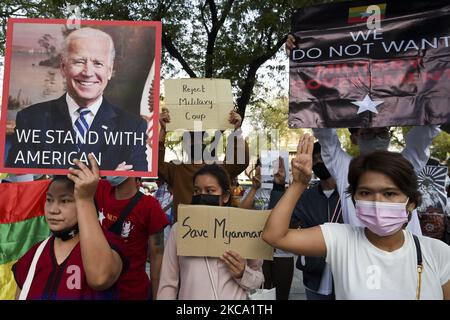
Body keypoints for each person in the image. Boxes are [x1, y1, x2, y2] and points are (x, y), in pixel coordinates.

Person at [263, 133, 450, 300]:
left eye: (390, 193)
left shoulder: (438, 253)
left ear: (411, 202)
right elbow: (274, 236)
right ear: (354, 199)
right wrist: (298, 184)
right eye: (366, 193)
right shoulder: (341, 240)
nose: (378, 202)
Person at [286, 35, 440, 234]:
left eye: (382, 130)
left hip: (407, 261)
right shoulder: (344, 168)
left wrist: (438, 73)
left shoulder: (407, 164)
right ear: (354, 137)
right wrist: (303, 60)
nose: (377, 135)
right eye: (365, 192)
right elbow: (324, 132)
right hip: (358, 258)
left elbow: (428, 127)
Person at [6, 27, 148, 171]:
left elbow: (134, 185)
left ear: (109, 71)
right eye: (79, 62)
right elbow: (19, 183)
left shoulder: (133, 127)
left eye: (98, 63)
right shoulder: (31, 119)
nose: (88, 72)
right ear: (63, 67)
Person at [12, 154, 127, 299]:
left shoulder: (110, 245)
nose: (53, 209)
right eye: (49, 199)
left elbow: (100, 278)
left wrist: (85, 198)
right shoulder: (33, 255)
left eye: (65, 201)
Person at [157, 164, 264, 299]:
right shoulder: (180, 230)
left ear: (225, 196)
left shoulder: (243, 229)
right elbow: (168, 284)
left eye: (210, 191)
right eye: (197, 191)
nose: (202, 196)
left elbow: (258, 281)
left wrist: (243, 273)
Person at [270, 143, 343, 300]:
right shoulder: (307, 196)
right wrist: (278, 186)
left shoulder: (351, 195)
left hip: (345, 279)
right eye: (314, 159)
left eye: (322, 158)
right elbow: (277, 225)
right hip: (313, 280)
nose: (318, 163)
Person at [158, 108, 249, 222]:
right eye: (190, 139)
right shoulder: (176, 170)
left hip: (215, 229)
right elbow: (157, 165)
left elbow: (241, 161)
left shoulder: (219, 169)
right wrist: (163, 130)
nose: (196, 143)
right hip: (185, 232)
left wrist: (237, 130)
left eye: (200, 139)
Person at [95, 176, 169, 299]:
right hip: (97, 290)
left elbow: (157, 255)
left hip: (133, 292)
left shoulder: (149, 206)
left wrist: (157, 295)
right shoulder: (99, 188)